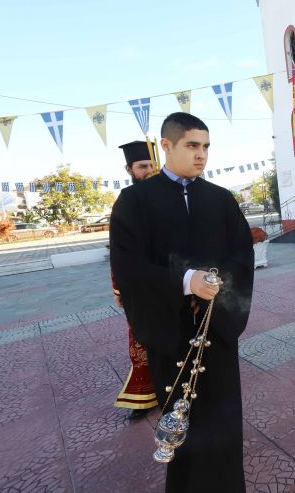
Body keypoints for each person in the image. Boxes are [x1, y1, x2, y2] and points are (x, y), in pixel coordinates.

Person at [110, 113, 254, 492]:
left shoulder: (221, 200)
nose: (201, 154)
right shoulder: (135, 201)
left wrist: (220, 282)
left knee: (224, 421)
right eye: (192, 145)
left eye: (206, 146)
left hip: (216, 331)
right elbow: (128, 267)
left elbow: (242, 256)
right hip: (170, 335)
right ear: (167, 146)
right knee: (181, 425)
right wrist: (185, 281)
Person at [112, 141, 159, 419]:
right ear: (129, 169)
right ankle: (142, 395)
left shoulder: (167, 195)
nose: (149, 171)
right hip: (139, 283)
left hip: (170, 280)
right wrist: (119, 287)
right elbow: (118, 248)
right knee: (141, 338)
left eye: (152, 165)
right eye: (143, 167)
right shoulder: (126, 200)